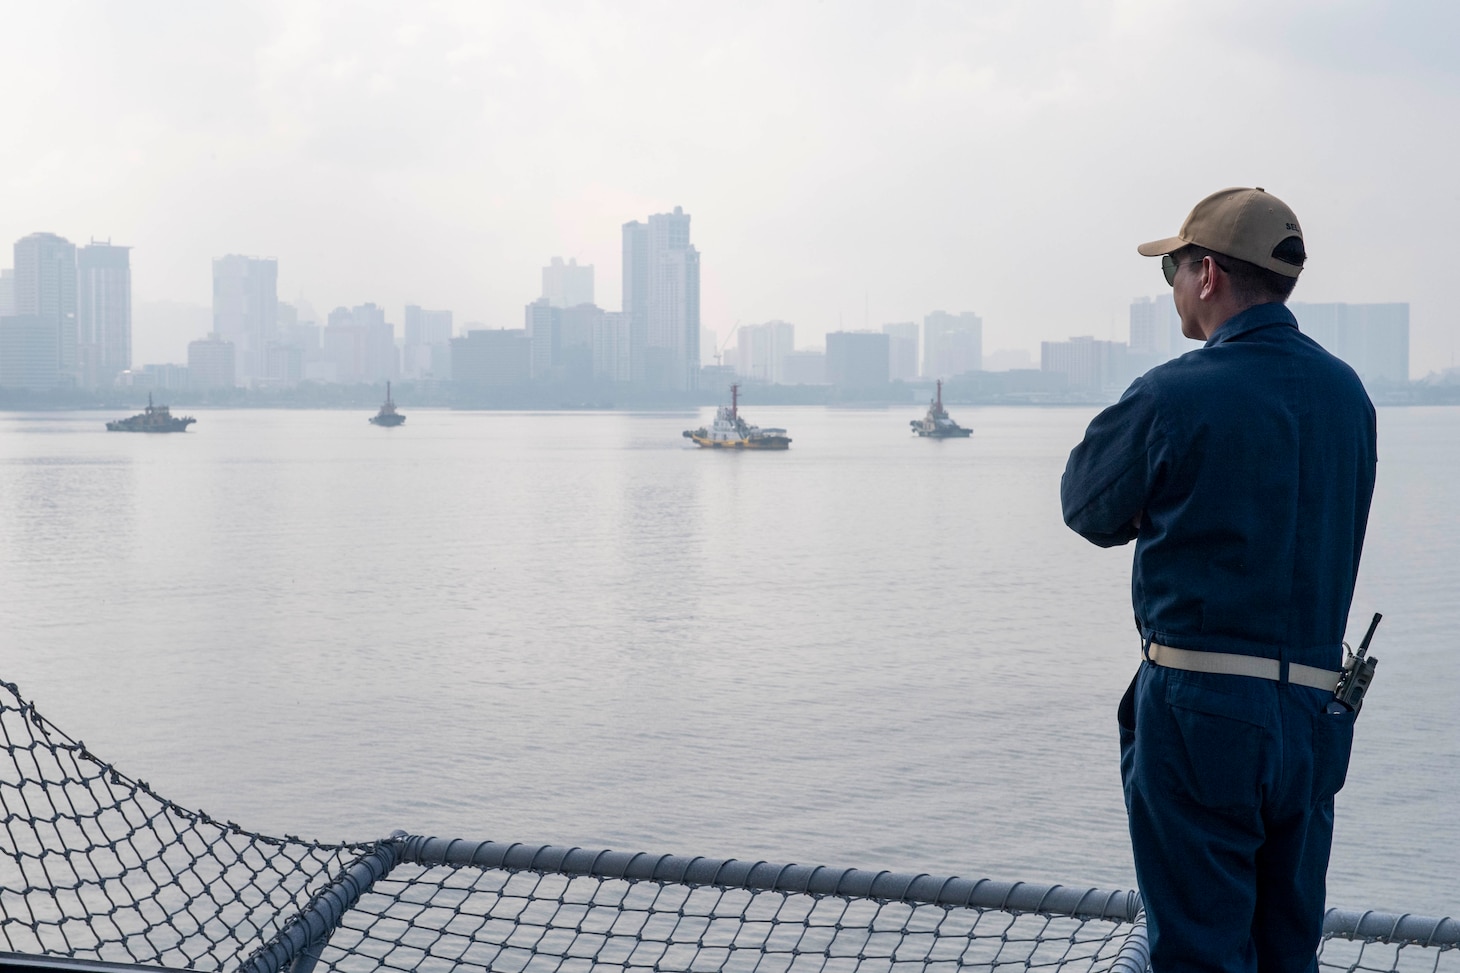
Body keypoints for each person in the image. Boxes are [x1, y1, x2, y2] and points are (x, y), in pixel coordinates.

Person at [1060, 187, 1377, 973]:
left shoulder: (1175, 393)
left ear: (1207, 275)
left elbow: (1086, 506)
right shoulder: (1351, 398)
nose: (1169, 282)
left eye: (1171, 265)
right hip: (1314, 712)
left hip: (1202, 711)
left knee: (1200, 951)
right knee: (1285, 950)